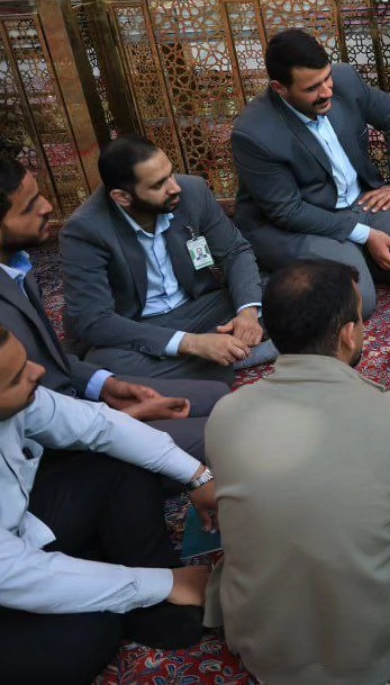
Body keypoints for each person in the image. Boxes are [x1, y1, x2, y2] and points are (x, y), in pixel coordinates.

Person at [203, 259, 390, 684]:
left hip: (264, 643)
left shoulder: (226, 412)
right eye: (361, 320)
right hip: (378, 647)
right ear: (349, 334)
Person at [0, 324, 218, 684]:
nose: (37, 372)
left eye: (25, 363)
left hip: (21, 529)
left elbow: (99, 426)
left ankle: (142, 597)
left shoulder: (22, 393)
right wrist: (160, 584)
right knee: (87, 636)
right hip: (9, 577)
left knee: (120, 463)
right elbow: (12, 572)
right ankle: (138, 587)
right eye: (15, 378)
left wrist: (198, 476)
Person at [0, 155, 223, 460]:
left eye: (39, 195)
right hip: (52, 441)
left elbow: (49, 362)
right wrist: (120, 418)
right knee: (226, 434)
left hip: (78, 395)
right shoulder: (86, 228)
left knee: (218, 396)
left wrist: (103, 385)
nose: (47, 207)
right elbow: (28, 420)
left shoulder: (18, 266)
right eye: (29, 206)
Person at [231, 28, 390, 317]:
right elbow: (287, 211)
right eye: (312, 88)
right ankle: (285, 273)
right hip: (298, 223)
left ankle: (346, 260)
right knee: (357, 302)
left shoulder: (344, 79)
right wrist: (365, 235)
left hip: (358, 202)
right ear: (279, 88)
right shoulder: (254, 133)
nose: (327, 92)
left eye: (327, 78)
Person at [60, 136, 275, 385]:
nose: (175, 187)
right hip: (139, 325)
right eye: (159, 184)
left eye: (171, 174)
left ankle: (214, 357)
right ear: (122, 197)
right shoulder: (85, 230)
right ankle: (237, 356)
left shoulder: (192, 191)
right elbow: (93, 320)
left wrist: (247, 314)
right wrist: (192, 344)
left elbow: (234, 252)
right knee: (103, 363)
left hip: (201, 308)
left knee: (283, 290)